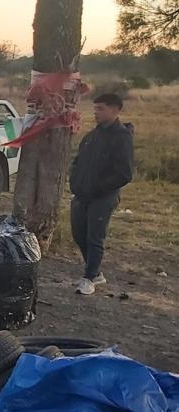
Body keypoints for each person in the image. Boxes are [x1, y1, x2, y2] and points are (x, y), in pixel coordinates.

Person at [68, 93, 134, 295]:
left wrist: (98, 188)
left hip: (103, 197)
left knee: (94, 237)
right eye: (95, 108)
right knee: (79, 233)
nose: (96, 112)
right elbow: (78, 161)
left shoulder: (122, 137)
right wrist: (75, 182)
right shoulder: (92, 136)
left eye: (101, 109)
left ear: (115, 110)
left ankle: (89, 279)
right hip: (81, 195)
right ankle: (95, 272)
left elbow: (124, 173)